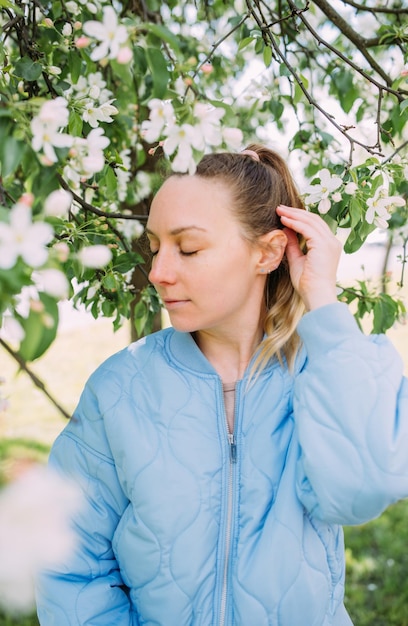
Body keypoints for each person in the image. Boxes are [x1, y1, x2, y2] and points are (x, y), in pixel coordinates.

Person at [36, 144, 408, 626]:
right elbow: (67, 564)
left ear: (268, 252)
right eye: (155, 247)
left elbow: (364, 488)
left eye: (188, 248)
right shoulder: (120, 389)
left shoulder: (321, 375)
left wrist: (323, 299)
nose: (159, 272)